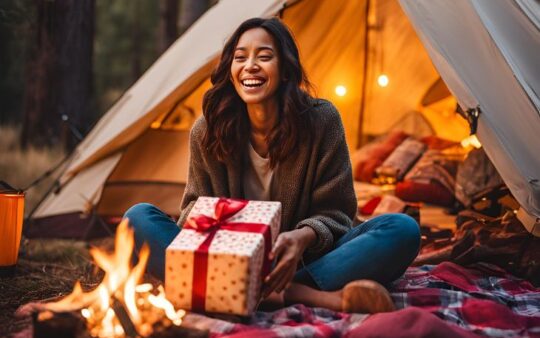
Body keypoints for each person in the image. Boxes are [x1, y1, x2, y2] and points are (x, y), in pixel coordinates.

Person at [125, 17, 420, 314]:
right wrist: (230, 238)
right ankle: (303, 294)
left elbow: (338, 213)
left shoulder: (322, 122)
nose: (250, 65)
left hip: (303, 260)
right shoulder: (208, 130)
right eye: (240, 57)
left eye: (264, 56)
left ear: (285, 69)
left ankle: (273, 289)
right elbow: (193, 209)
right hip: (223, 263)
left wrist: (302, 237)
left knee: (402, 229)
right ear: (230, 70)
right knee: (137, 218)